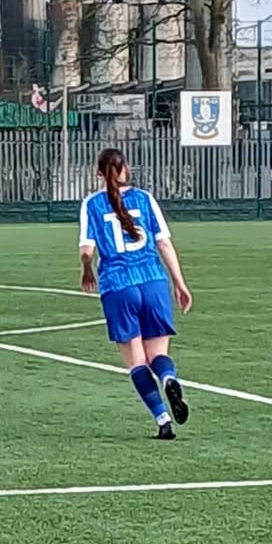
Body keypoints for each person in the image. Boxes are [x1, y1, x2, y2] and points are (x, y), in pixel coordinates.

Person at [79, 147, 192, 440]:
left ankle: (163, 419)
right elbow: (164, 243)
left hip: (118, 285)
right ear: (126, 169)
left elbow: (86, 249)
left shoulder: (92, 204)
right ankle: (169, 379)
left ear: (99, 174)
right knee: (159, 354)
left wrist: (86, 268)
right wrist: (179, 283)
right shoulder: (145, 198)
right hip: (153, 281)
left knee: (137, 362)